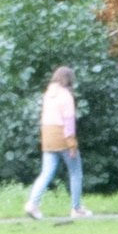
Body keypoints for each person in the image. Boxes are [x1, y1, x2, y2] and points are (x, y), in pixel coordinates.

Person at [22, 63, 83, 221]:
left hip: (47, 136)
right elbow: (69, 122)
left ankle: (32, 203)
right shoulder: (66, 96)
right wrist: (72, 144)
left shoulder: (48, 94)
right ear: (69, 80)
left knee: (46, 173)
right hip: (62, 136)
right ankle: (76, 208)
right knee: (75, 172)